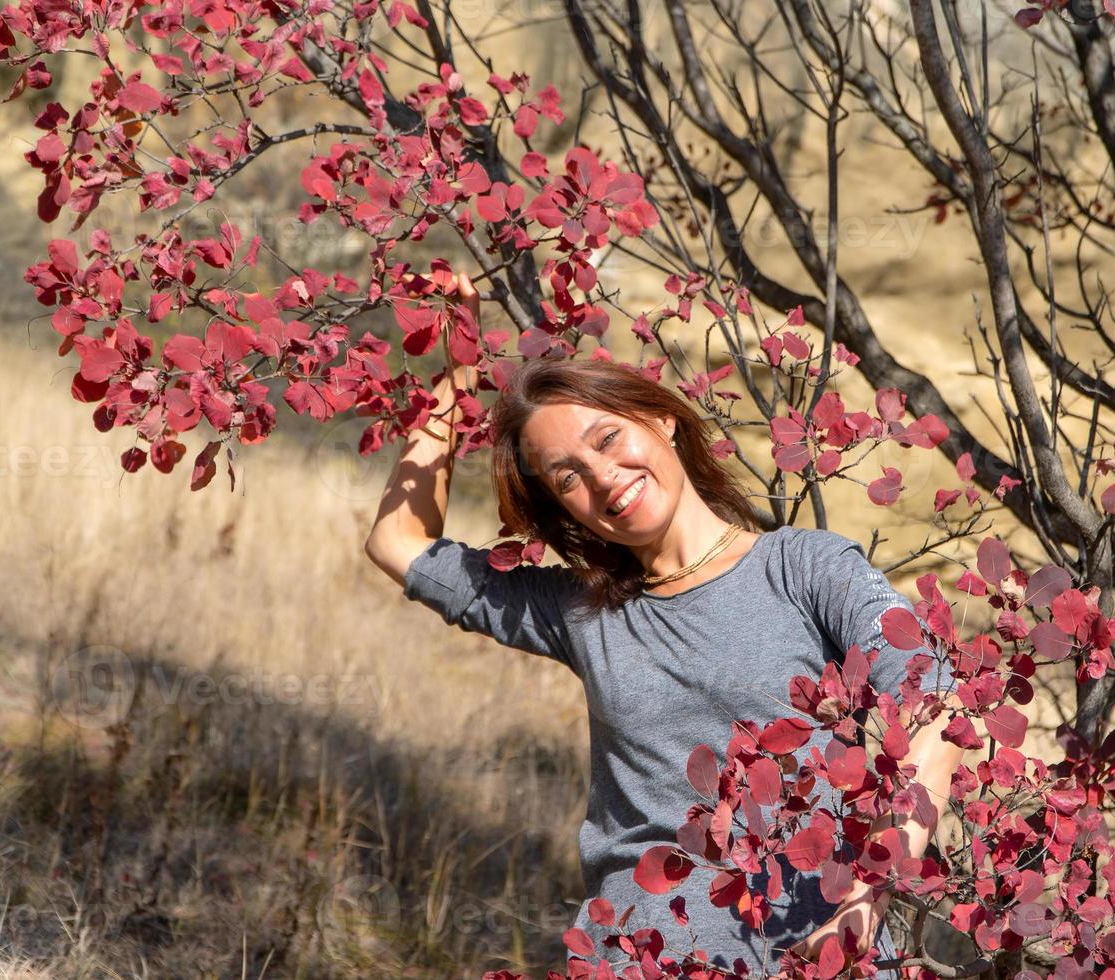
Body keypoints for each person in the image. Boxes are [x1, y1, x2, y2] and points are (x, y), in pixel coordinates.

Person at [364, 272, 965, 977]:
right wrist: (455, 372)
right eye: (566, 477)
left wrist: (867, 898)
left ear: (662, 419)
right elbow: (398, 543)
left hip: (823, 954)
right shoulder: (580, 610)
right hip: (642, 960)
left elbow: (939, 704)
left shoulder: (804, 566)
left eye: (609, 437)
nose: (603, 475)